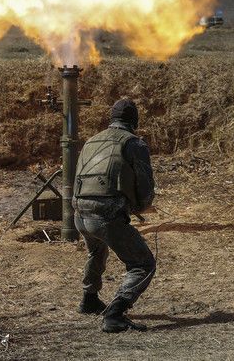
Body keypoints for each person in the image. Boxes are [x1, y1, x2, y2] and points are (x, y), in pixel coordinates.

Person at [72, 98, 156, 333]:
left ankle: (89, 298)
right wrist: (139, 207)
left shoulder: (91, 141)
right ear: (134, 121)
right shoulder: (134, 144)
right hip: (107, 215)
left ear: (112, 118)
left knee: (96, 250)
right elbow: (146, 188)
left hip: (79, 213)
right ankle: (115, 313)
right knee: (143, 264)